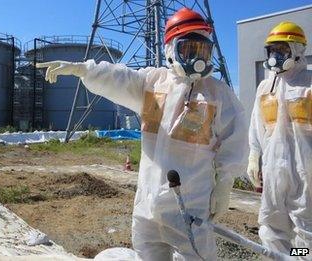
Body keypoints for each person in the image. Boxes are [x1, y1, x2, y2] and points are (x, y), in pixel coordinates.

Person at [38, 8, 247, 260]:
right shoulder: (152, 83)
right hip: (147, 207)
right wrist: (84, 69)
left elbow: (234, 141)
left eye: (202, 50)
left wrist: (225, 182)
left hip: (190, 208)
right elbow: (119, 77)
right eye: (188, 49)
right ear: (171, 49)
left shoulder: (218, 94)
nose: (196, 58)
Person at [247, 21, 312, 255]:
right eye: (272, 51)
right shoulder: (266, 88)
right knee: (271, 228)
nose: (275, 56)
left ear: (297, 51)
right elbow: (257, 126)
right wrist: (254, 155)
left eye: (281, 51)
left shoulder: (309, 85)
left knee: (306, 232)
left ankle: (300, 258)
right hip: (274, 172)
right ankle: (283, 259)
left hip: (306, 174)